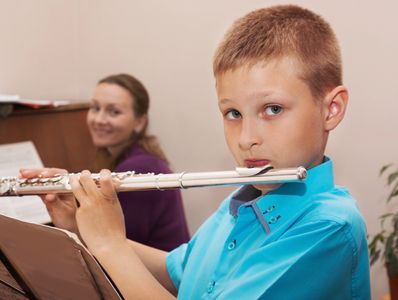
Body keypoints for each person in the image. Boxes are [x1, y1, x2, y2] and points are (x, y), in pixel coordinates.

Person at [22, 5, 371, 299]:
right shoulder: (241, 203)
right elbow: (176, 273)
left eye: (273, 109)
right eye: (233, 113)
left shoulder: (328, 229)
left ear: (331, 109)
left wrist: (110, 245)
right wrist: (82, 228)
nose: (246, 138)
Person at [30, 73, 190, 251]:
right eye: (95, 108)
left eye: (114, 112)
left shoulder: (138, 168)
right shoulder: (131, 158)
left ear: (139, 122)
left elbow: (114, 251)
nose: (99, 119)